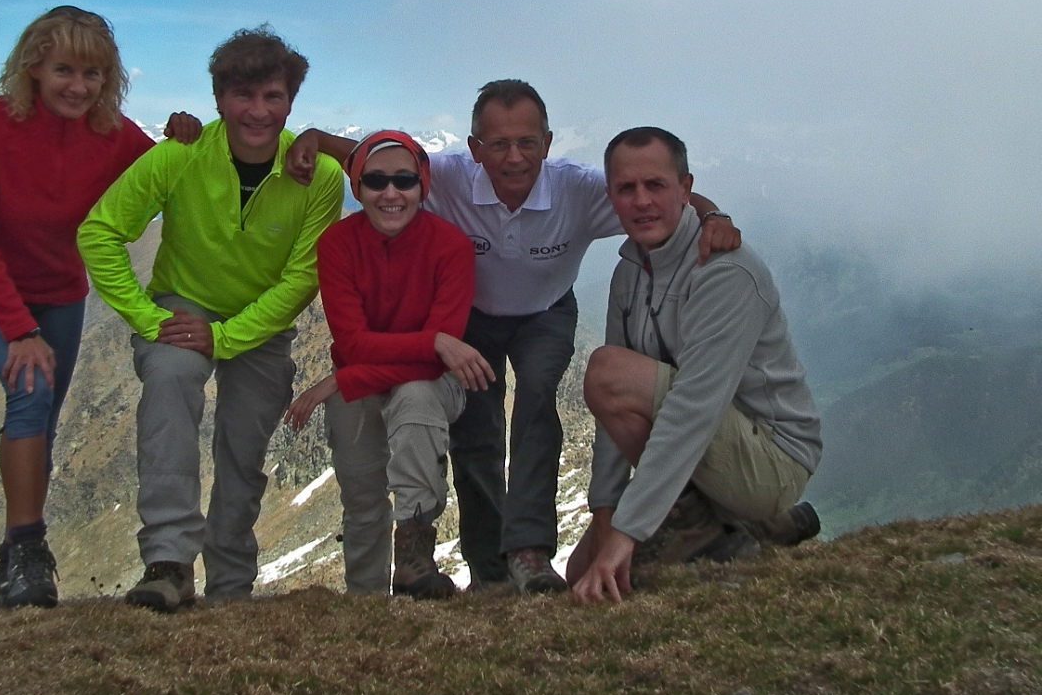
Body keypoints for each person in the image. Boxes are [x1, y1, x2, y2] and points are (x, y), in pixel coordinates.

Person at [252, 80, 741, 594]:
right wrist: (309, 136)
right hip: (473, 316)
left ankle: (530, 552)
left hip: (545, 313)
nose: (513, 157)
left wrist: (712, 215)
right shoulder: (440, 175)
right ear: (474, 149)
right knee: (477, 427)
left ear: (548, 144)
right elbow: (369, 157)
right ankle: (488, 568)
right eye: (498, 144)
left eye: (527, 143)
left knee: (536, 401)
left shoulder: (577, 189)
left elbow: (662, 188)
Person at [78, 26, 344, 611]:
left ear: (291, 102)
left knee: (244, 450)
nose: (258, 111)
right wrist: (148, 320)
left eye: (273, 97)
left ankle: (230, 585)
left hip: (260, 323)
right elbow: (99, 232)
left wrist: (226, 335)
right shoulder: (179, 155)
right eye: (244, 96)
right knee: (171, 378)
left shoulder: (320, 175)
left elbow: (303, 275)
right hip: (181, 307)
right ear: (219, 99)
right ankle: (169, 562)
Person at [0, 5, 160, 609]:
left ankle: (17, 565)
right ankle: (26, 550)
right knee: (32, 392)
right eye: (65, 69)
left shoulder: (114, 136)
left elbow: (176, 173)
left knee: (42, 419)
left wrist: (189, 135)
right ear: (34, 67)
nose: (78, 86)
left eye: (93, 74)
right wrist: (17, 330)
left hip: (62, 295)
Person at [570, 127, 822, 605]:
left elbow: (693, 408)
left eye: (656, 185)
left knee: (607, 371)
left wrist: (626, 535)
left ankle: (709, 529)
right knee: (579, 570)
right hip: (716, 452)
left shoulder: (725, 271)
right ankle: (755, 527)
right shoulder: (629, 274)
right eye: (626, 188)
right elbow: (611, 416)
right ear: (611, 197)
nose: (641, 200)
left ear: (686, 190)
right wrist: (604, 516)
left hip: (772, 455)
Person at [284, 131, 495, 598]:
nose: (391, 193)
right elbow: (357, 343)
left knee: (417, 397)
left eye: (405, 180)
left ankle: (415, 559)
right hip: (375, 376)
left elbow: (433, 366)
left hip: (428, 384)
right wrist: (435, 342)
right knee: (362, 493)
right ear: (356, 188)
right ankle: (366, 598)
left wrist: (342, 380)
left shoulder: (451, 247)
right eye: (376, 181)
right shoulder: (338, 244)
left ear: (423, 187)